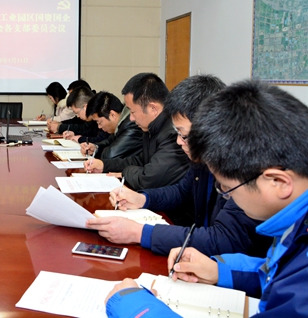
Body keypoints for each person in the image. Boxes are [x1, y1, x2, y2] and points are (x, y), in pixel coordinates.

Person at [105, 80, 308, 317]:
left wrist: (134, 307)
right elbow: (273, 272)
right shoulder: (293, 224)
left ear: (279, 182)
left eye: (228, 189)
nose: (226, 195)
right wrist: (219, 271)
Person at [86, 75, 271, 255]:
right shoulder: (202, 159)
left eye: (184, 135)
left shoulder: (243, 168)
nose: (179, 141)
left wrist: (139, 233)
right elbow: (182, 191)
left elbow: (222, 240)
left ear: (213, 128)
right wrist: (142, 199)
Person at [84, 73, 188, 190]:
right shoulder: (150, 127)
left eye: (133, 112)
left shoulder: (174, 134)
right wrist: (104, 165)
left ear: (153, 108)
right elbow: (140, 161)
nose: (131, 118)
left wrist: (125, 173)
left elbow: (148, 178)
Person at [79, 91, 143, 160]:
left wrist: (98, 151)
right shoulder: (121, 123)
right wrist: (95, 148)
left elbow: (110, 156)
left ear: (112, 115)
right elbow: (110, 141)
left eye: (99, 122)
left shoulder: (131, 126)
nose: (99, 127)